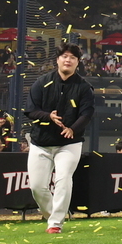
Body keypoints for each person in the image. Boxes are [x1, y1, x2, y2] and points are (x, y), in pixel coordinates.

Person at [24, 44, 95, 233]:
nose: (68, 60)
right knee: (37, 187)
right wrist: (49, 117)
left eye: (72, 57)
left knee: (63, 179)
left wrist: (73, 129)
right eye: (64, 56)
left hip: (69, 143)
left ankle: (55, 224)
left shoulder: (84, 87)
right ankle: (54, 214)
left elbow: (87, 113)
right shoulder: (42, 82)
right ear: (57, 60)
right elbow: (30, 110)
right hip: (41, 142)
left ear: (78, 62)